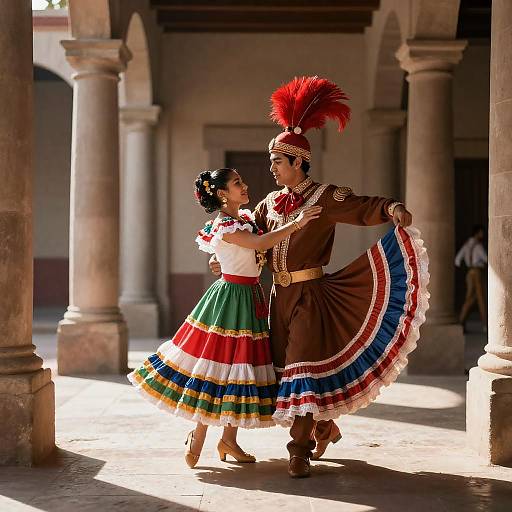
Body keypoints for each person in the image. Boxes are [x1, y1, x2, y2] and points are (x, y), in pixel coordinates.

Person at [210, 76, 429, 478]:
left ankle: (299, 449)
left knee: (303, 367)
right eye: (271, 161)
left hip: (312, 297)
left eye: (278, 161)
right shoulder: (269, 203)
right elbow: (252, 241)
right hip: (277, 299)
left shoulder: (325, 198)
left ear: (298, 161)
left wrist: (392, 208)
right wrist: (225, 259)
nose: (271, 168)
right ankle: (326, 425)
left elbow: (363, 206)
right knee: (281, 369)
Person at [128, 167, 322, 468]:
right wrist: (296, 224)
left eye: (242, 182)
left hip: (250, 298)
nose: (244, 186)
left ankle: (228, 440)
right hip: (230, 299)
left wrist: (218, 260)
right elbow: (259, 244)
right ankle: (199, 436)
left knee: (239, 368)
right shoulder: (225, 225)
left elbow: (246, 251)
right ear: (222, 194)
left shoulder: (243, 220)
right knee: (218, 366)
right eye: (237, 184)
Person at [455, 224, 487, 332]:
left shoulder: (466, 245)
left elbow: (457, 261)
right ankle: (485, 325)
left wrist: (468, 264)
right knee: (481, 297)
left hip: (469, 272)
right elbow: (487, 259)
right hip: (477, 272)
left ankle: (461, 322)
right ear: (477, 233)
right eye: (481, 232)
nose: (482, 235)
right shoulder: (478, 246)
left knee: (470, 298)